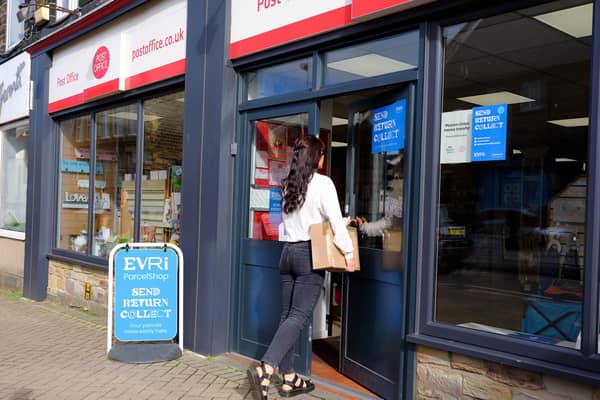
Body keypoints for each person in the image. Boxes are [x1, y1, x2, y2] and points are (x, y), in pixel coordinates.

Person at [247, 135, 355, 400]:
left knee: (288, 317)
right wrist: (349, 254)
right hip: (308, 255)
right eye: (322, 154)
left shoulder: (289, 184)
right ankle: (266, 367)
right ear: (317, 157)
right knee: (298, 317)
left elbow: (298, 219)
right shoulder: (323, 183)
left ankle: (289, 379)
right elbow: (335, 225)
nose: (323, 158)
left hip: (287, 253)